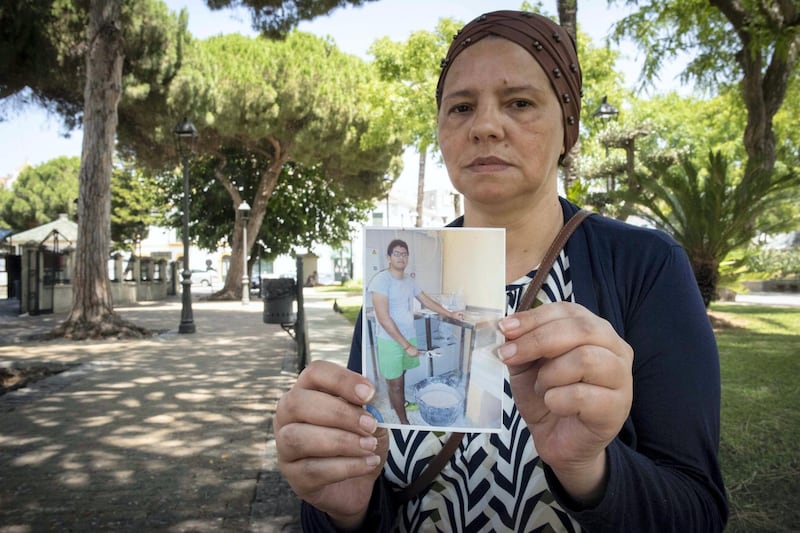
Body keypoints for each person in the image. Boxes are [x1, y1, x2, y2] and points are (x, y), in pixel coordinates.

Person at [274, 10, 728, 532]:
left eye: (520, 103)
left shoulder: (647, 268)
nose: (485, 126)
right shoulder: (400, 277)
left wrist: (588, 468)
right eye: (461, 107)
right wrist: (343, 510)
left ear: (568, 129)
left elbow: (698, 511)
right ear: (442, 134)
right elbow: (357, 498)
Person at [368, 239, 462, 425]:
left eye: (404, 254)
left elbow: (426, 300)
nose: (401, 257)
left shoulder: (409, 281)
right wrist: (406, 345)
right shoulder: (381, 280)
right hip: (390, 340)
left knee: (401, 374)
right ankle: (404, 422)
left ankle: (400, 403)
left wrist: (450, 313)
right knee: (394, 383)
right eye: (397, 253)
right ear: (388, 257)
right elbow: (384, 318)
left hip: (407, 334)